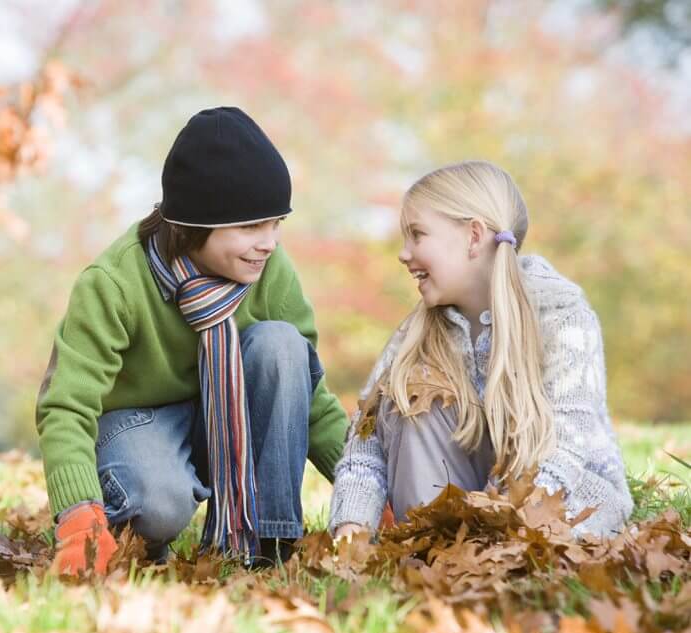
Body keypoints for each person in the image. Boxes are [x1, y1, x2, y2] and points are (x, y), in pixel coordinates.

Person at [37, 106, 349, 574]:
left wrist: (363, 484)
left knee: (283, 347)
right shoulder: (115, 283)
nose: (269, 242)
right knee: (158, 505)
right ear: (192, 225)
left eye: (276, 223)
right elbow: (66, 405)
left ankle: (268, 544)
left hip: (224, 416)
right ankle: (133, 526)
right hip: (136, 426)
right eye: (250, 227)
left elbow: (312, 400)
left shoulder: (268, 272)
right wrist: (78, 515)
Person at [329, 160, 633, 540]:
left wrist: (504, 530)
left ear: (474, 236)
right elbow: (366, 440)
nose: (404, 254)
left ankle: (486, 554)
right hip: (459, 506)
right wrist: (351, 527)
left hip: (562, 504)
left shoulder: (560, 315)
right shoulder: (418, 332)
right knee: (404, 399)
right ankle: (435, 546)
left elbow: (566, 448)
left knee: (553, 514)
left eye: (417, 235)